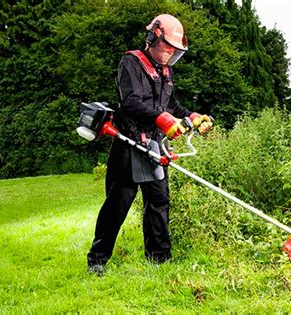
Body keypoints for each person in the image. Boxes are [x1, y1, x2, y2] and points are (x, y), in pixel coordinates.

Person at [87, 14, 212, 275]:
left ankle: (159, 259)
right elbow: (130, 102)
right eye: (168, 47)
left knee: (158, 201)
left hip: (155, 146)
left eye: (175, 50)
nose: (170, 54)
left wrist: (192, 116)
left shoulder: (166, 71)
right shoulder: (130, 62)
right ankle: (98, 260)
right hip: (128, 143)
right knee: (118, 204)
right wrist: (163, 119)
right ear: (153, 37)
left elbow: (172, 105)